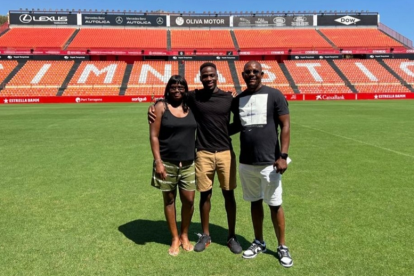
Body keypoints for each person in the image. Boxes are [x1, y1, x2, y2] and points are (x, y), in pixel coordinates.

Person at [148, 62, 242, 254]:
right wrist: (154, 105)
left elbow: (239, 122)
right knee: (204, 195)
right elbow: (173, 95)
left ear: (217, 76)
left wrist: (223, 132)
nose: (208, 79)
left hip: (225, 152)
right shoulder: (194, 96)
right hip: (202, 153)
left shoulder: (228, 98)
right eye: (205, 76)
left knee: (228, 195)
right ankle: (204, 235)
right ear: (200, 78)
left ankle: (231, 236)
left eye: (211, 75)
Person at [230, 61, 293, 267]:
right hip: (247, 162)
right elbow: (236, 126)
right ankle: (259, 242)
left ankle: (282, 246)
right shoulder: (238, 99)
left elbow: (285, 125)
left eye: (255, 71)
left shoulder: (275, 95)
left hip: (270, 162)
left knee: (275, 204)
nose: (251, 74)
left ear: (262, 74)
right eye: (248, 72)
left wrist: (283, 155)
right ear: (242, 75)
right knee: (254, 202)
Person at [149, 75, 197, 256]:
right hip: (167, 163)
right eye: (173, 87)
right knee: (169, 200)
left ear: (186, 89)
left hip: (189, 163)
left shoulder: (191, 106)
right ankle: (175, 237)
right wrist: (158, 162)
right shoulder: (161, 107)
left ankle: (185, 234)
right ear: (168, 89)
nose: (177, 90)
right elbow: (154, 136)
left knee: (189, 201)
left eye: (181, 87)